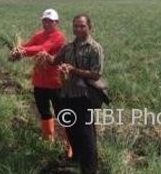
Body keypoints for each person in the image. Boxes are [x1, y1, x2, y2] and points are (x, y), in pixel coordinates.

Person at [37, 14, 104, 174]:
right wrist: (46, 56)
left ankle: (89, 169)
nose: (78, 29)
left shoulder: (94, 48)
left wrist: (72, 70)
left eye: (82, 26)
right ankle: (76, 159)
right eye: (76, 26)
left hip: (84, 97)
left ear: (89, 27)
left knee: (86, 134)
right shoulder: (68, 47)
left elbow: (96, 74)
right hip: (67, 95)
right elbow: (55, 61)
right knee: (72, 130)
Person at [10, 9, 68, 148]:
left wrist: (22, 50)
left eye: (50, 21)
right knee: (44, 111)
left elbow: (43, 48)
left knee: (62, 113)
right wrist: (17, 50)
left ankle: (69, 143)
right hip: (39, 82)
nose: (46, 23)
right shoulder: (38, 35)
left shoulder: (58, 37)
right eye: (44, 20)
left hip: (56, 83)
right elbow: (28, 46)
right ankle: (48, 140)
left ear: (56, 22)